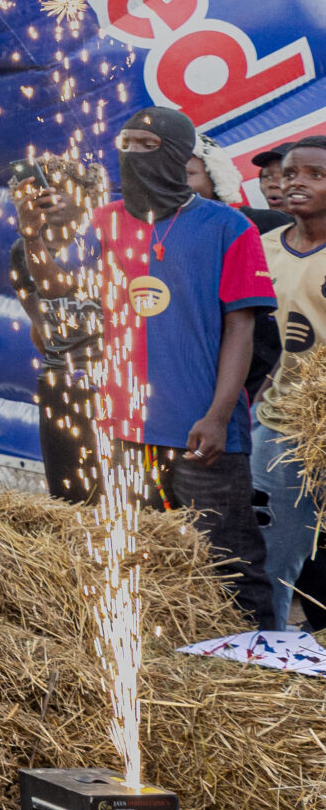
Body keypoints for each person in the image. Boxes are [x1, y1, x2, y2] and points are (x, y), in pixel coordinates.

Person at [98, 107, 274, 629]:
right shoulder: (102, 222)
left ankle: (259, 669)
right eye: (125, 142)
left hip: (203, 430)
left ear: (178, 154)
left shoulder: (227, 226)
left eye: (147, 144)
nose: (132, 154)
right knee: (143, 558)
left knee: (230, 560)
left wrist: (219, 415)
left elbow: (241, 328)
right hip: (126, 428)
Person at [256, 139, 326, 627]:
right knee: (273, 554)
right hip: (283, 423)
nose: (295, 182)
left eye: (315, 175)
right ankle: (269, 646)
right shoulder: (262, 251)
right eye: (290, 172)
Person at [7, 156, 105, 505]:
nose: (49, 199)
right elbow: (43, 330)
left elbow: (60, 287)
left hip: (113, 382)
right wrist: (32, 234)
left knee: (117, 486)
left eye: (59, 190)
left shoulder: (104, 234)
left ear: (85, 192)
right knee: (66, 494)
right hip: (60, 381)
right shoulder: (22, 249)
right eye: (37, 194)